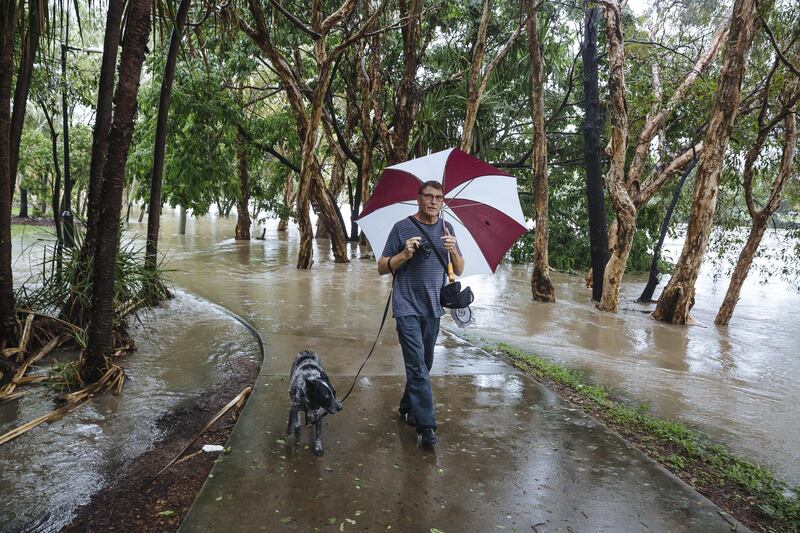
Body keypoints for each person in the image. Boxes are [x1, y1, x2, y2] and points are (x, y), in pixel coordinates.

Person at [378, 180, 464, 446]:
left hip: (433, 307)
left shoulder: (447, 229)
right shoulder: (401, 227)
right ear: (418, 198)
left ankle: (406, 406)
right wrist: (404, 254)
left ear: (443, 201)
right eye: (428, 196)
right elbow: (382, 267)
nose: (433, 202)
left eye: (438, 197)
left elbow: (459, 269)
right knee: (416, 365)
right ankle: (426, 426)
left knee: (423, 364)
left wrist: (453, 250)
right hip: (406, 306)